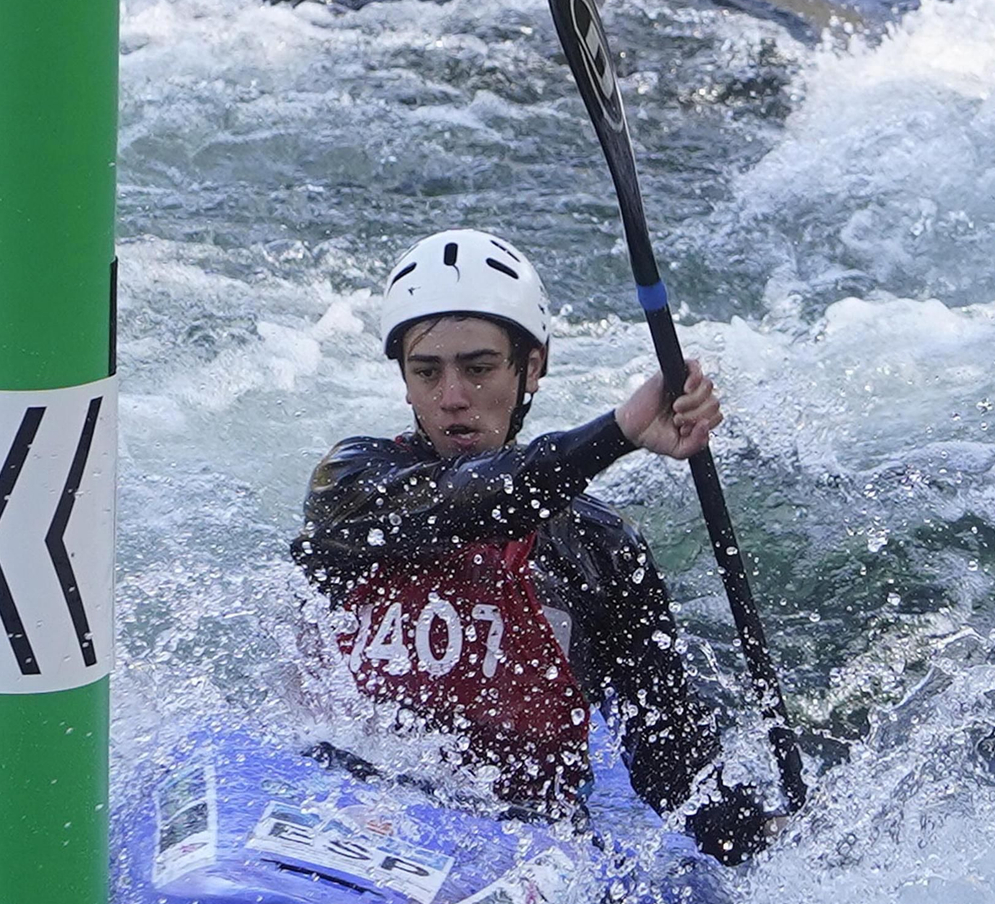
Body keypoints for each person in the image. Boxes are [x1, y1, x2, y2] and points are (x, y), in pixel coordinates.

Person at [291, 228, 782, 864]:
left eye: (479, 369)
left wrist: (768, 840)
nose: (452, 397)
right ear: (404, 381)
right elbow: (481, 500)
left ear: (532, 367)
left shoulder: (600, 550)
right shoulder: (351, 485)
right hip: (342, 800)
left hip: (515, 841)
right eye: (426, 371)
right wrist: (620, 431)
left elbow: (670, 762)